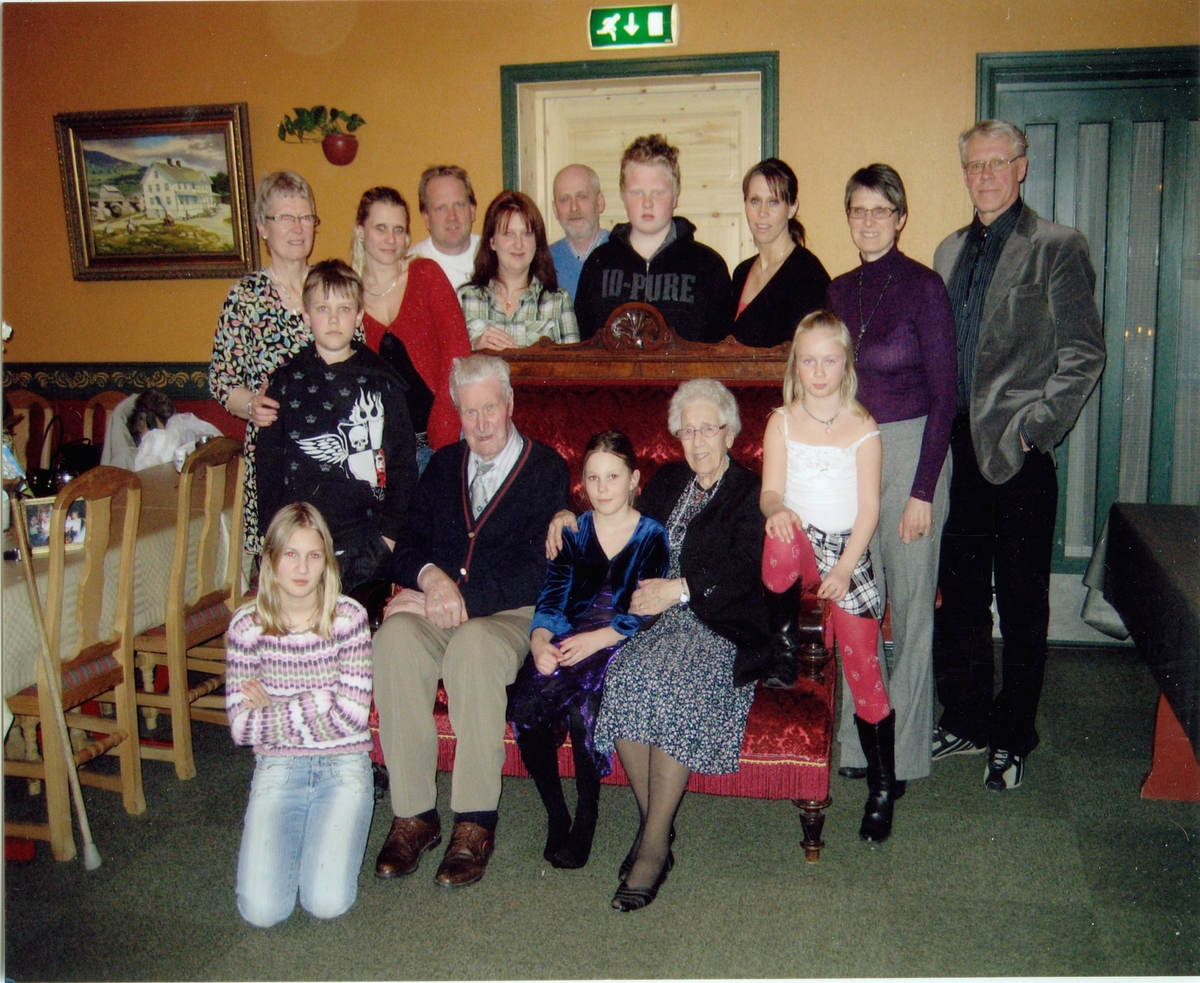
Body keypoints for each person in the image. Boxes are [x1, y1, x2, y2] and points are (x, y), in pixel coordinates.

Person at [930, 120, 1105, 792]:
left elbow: (1083, 351)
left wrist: (1037, 430)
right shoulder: (948, 251)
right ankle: (969, 717)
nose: (984, 176)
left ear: (1022, 167)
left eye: (997, 163)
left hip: (1019, 455)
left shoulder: (1056, 246)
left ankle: (1013, 734)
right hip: (957, 452)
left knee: (1024, 601)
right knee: (963, 597)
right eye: (974, 165)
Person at [549, 379, 769, 912]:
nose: (696, 441)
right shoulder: (669, 481)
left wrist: (683, 589)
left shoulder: (749, 492)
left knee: (668, 682)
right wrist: (564, 513)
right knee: (624, 675)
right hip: (652, 622)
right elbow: (614, 517)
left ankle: (651, 846)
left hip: (716, 626)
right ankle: (657, 830)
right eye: (686, 429)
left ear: (729, 431)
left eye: (707, 428)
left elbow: (748, 569)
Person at [372, 354, 569, 889]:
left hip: (510, 613)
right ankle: (414, 813)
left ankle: (475, 820)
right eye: (469, 412)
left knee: (474, 647)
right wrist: (431, 579)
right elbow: (407, 544)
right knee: (393, 639)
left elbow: (538, 569)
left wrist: (457, 596)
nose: (481, 424)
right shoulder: (441, 466)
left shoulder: (546, 468)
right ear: (455, 413)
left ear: (509, 404)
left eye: (490, 408)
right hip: (442, 604)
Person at [825, 164, 957, 788]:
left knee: (907, 610)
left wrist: (923, 490)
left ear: (901, 218)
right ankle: (858, 739)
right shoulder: (838, 288)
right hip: (854, 456)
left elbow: (947, 396)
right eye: (858, 209)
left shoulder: (925, 287)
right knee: (859, 605)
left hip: (910, 455)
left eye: (882, 210)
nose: (869, 220)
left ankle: (903, 755)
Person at [758, 310, 899, 843]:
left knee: (866, 673)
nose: (819, 372)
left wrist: (844, 570)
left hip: (847, 552)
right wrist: (777, 509)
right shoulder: (782, 420)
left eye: (830, 361)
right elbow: (771, 491)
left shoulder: (863, 427)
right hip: (798, 541)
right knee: (777, 535)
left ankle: (882, 788)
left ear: (846, 365)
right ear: (798, 363)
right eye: (809, 361)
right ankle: (784, 646)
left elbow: (868, 511)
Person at [508, 431, 668, 870]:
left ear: (633, 479)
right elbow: (553, 597)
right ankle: (556, 812)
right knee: (527, 697)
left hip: (622, 641)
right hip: (572, 636)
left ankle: (587, 814)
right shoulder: (574, 531)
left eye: (612, 477)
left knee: (584, 705)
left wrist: (601, 638)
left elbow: (646, 608)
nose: (602, 488)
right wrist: (541, 640)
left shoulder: (651, 535)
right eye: (593, 478)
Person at [226, 502, 374, 928]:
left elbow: (352, 717)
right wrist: (320, 698)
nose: (302, 567)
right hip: (279, 766)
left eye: (313, 555)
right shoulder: (246, 627)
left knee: (326, 903)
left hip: (343, 766)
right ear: (270, 560)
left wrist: (274, 709)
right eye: (290, 553)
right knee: (261, 911)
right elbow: (240, 727)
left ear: (326, 561)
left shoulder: (349, 619)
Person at [255, 260, 417, 593]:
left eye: (344, 309)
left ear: (359, 316)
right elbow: (268, 469)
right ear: (305, 314)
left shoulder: (383, 383)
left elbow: (403, 467)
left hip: (365, 545)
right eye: (322, 308)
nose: (332, 319)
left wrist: (387, 538)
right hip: (297, 546)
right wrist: (274, 539)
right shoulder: (284, 384)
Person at [210, 170, 330, 556]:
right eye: (285, 218)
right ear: (263, 227)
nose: (298, 228)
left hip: (330, 452)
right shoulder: (245, 298)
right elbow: (222, 380)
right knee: (282, 565)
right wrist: (251, 405)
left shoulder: (332, 286)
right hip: (276, 454)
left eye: (306, 217)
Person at [351, 186, 471, 463]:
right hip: (381, 454)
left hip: (440, 442)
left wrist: (443, 435)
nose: (391, 239)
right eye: (380, 228)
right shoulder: (348, 295)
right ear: (360, 231)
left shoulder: (425, 275)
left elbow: (458, 355)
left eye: (399, 229)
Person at [575, 134, 733, 343]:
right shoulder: (598, 265)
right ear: (623, 195)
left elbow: (721, 351)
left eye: (658, 192)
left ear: (675, 195)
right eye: (637, 192)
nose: (647, 203)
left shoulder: (708, 267)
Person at [458, 191, 579, 350]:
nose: (518, 244)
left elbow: (573, 370)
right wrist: (474, 347)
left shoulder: (558, 301)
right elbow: (450, 368)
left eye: (526, 234)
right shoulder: (465, 299)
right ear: (492, 241)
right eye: (508, 234)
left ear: (537, 242)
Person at [730, 158, 830, 348]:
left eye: (773, 202)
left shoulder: (808, 274)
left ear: (792, 208)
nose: (762, 213)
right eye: (755, 201)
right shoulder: (741, 272)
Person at [408, 165, 482, 290]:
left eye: (458, 205)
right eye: (441, 208)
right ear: (426, 218)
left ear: (472, 210)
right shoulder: (411, 268)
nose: (451, 216)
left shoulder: (496, 255)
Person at [548, 164, 609, 302]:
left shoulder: (624, 253)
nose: (574, 207)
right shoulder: (544, 262)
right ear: (555, 209)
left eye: (582, 197)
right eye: (564, 199)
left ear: (600, 202)